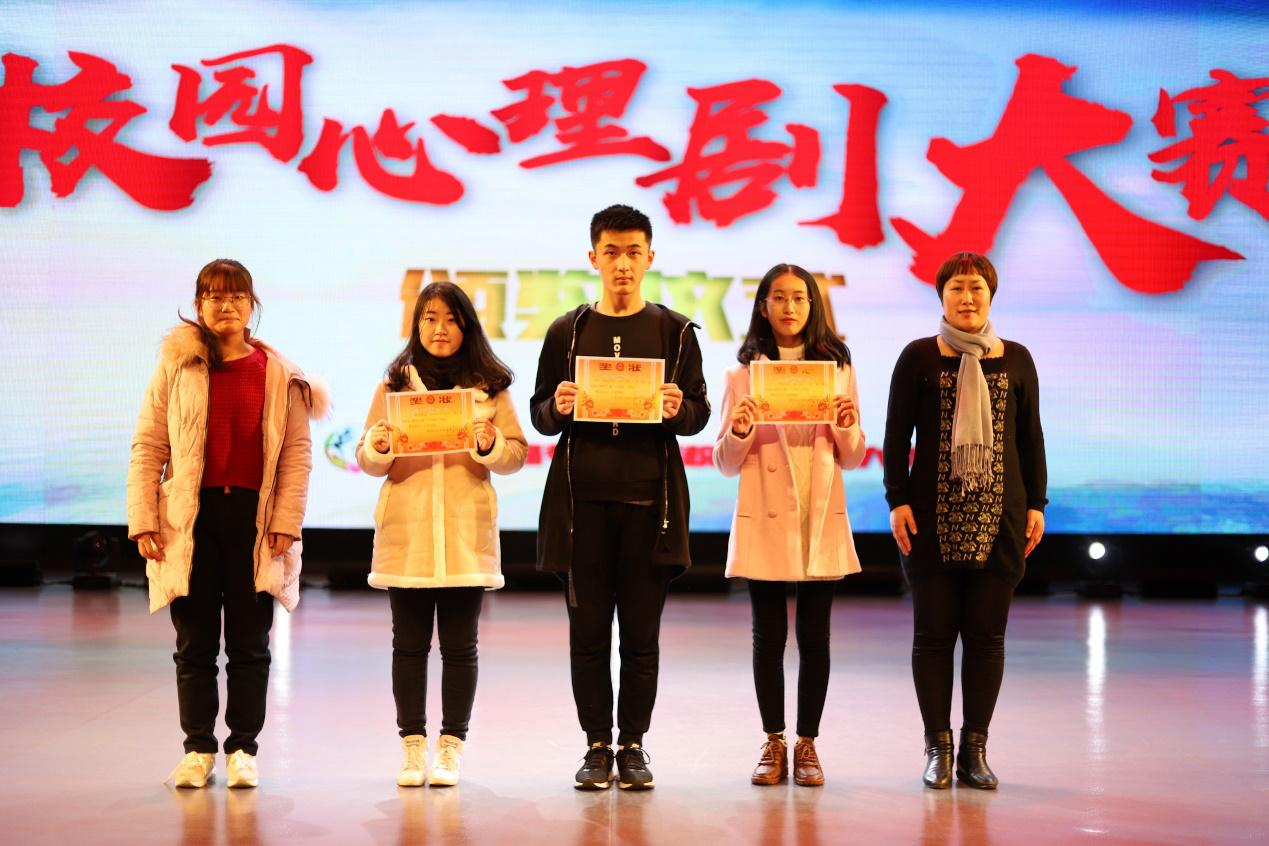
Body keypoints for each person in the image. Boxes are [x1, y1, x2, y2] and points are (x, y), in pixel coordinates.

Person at [530, 204, 710, 791]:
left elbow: (698, 413)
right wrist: (557, 406)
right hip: (581, 509)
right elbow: (539, 414)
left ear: (650, 257)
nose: (623, 264)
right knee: (587, 638)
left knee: (640, 638)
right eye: (611, 252)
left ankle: (632, 745)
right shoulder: (567, 331)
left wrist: (676, 409)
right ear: (593, 258)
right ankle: (595, 746)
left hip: (650, 509)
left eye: (634, 252)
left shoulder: (675, 332)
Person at [127, 259, 326, 789]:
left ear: (251, 305)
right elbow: (148, 445)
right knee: (193, 643)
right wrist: (143, 519)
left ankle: (242, 749)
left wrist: (287, 521)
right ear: (199, 306)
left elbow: (297, 455)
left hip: (254, 521)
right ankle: (197, 750)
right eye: (214, 296)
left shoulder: (278, 372)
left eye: (237, 296)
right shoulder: (176, 367)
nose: (226, 305)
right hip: (189, 519)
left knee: (249, 643)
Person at [882, 252, 1047, 789]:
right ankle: (938, 748)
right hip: (930, 519)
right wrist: (896, 499)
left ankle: (974, 750)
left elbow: (1031, 438)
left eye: (976, 287)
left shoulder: (1017, 358)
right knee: (932, 637)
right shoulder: (918, 357)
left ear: (991, 295)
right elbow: (895, 436)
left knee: (986, 638)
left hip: (1000, 519)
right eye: (956, 288)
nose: (967, 297)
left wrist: (1037, 503)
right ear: (942, 296)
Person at [356, 281, 527, 787]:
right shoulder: (393, 387)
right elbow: (367, 459)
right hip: (408, 534)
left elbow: (516, 455)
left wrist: (491, 443)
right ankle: (413, 750)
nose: (440, 329)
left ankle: (451, 749)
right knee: (408, 646)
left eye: (451, 319)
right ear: (416, 326)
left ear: (466, 327)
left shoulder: (490, 388)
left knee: (460, 647)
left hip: (464, 535)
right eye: (429, 318)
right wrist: (378, 445)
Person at [713, 264, 866, 786]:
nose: (789, 307)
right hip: (766, 513)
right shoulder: (742, 376)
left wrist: (846, 426)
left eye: (799, 298)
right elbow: (725, 463)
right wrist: (739, 431)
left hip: (817, 515)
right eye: (779, 297)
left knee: (815, 638)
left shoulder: (838, 371)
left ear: (813, 306)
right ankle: (773, 741)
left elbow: (852, 456)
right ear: (763, 306)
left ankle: (808, 744)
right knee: (768, 636)